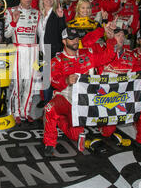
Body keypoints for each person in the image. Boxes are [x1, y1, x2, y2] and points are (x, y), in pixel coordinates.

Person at [43, 25, 117, 157]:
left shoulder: (87, 54)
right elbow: (52, 81)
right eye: (71, 39)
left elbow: (109, 56)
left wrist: (111, 40)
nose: (75, 41)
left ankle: (63, 121)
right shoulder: (56, 61)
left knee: (84, 133)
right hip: (66, 97)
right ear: (64, 41)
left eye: (77, 38)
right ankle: (49, 143)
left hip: (88, 99)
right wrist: (66, 80)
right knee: (49, 108)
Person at [81, 23, 141, 149]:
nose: (121, 38)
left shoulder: (130, 55)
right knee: (107, 130)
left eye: (122, 35)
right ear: (110, 36)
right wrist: (102, 31)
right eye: (117, 35)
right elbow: (85, 42)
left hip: (123, 97)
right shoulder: (100, 48)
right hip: (103, 97)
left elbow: (140, 78)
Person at [4, 0, 41, 124]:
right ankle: (15, 112)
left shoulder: (37, 13)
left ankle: (25, 112)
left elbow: (40, 33)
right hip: (18, 50)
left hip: (33, 51)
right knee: (18, 84)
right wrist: (14, 21)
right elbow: (6, 33)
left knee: (30, 84)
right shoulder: (11, 11)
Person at [37, 0, 66, 106]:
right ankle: (46, 101)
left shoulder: (56, 13)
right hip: (41, 52)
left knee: (50, 79)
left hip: (52, 51)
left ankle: (49, 104)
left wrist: (61, 18)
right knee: (44, 78)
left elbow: (63, 32)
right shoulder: (39, 14)